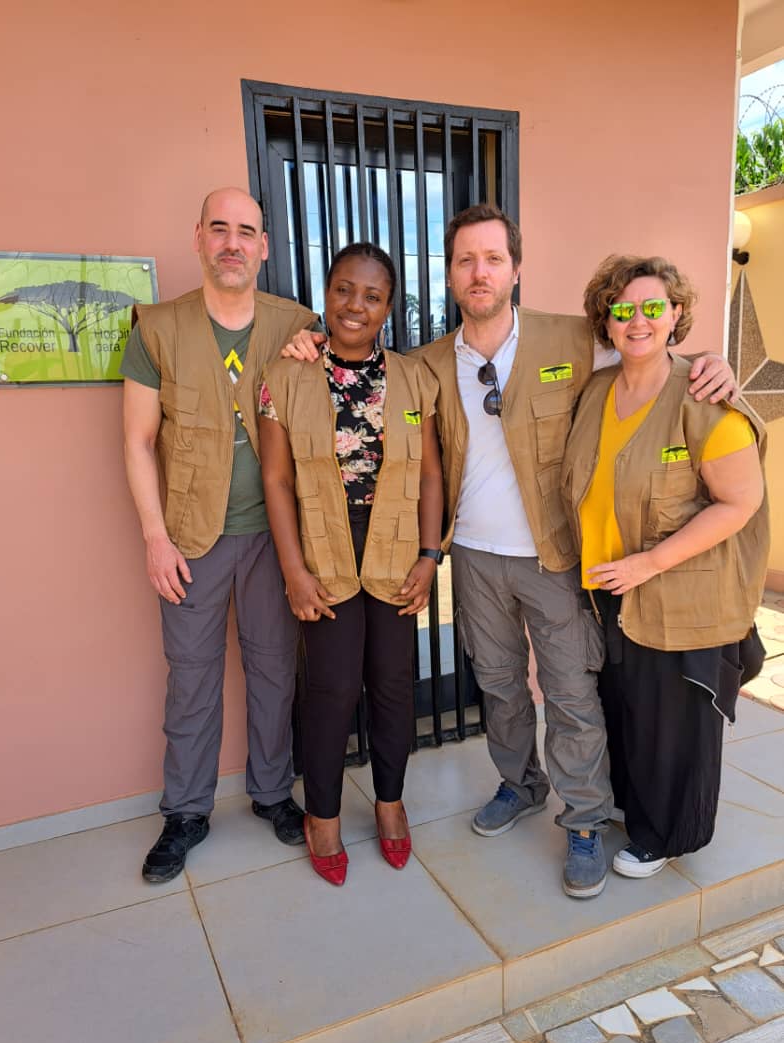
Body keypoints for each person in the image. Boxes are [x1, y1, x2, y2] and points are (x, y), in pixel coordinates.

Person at [282, 204, 737, 899]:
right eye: (465, 260)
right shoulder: (429, 362)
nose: (479, 272)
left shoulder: (573, 337)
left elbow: (656, 357)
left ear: (515, 268)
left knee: (570, 691)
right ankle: (520, 783)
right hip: (472, 555)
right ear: (451, 274)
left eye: (493, 258)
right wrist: (306, 340)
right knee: (497, 685)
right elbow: (360, 374)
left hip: (552, 556)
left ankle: (583, 819)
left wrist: (719, 370)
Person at [122, 187, 319, 883]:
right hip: (189, 540)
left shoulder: (298, 322)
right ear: (199, 239)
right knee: (193, 681)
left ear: (264, 245)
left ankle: (272, 794)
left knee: (274, 670)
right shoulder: (157, 327)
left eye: (246, 231)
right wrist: (154, 537)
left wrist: (316, 347)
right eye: (219, 229)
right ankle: (185, 812)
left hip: (276, 538)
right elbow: (139, 442)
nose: (232, 243)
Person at [562, 255, 768, 877]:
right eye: (623, 310)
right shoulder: (597, 390)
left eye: (653, 307)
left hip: (677, 589)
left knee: (673, 721)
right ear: (607, 320)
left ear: (676, 313)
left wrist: (650, 562)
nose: (638, 321)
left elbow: (740, 502)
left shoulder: (702, 395)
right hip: (610, 589)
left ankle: (666, 835)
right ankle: (634, 808)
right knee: (629, 708)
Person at [258, 242, 442, 886]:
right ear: (326, 293)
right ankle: (325, 816)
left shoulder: (417, 378)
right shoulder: (285, 377)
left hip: (395, 546)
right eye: (344, 289)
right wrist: (293, 570)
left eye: (372, 295)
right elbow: (277, 482)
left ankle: (390, 806)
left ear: (389, 307)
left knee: (394, 686)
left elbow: (431, 473)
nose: (355, 305)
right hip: (323, 546)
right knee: (333, 690)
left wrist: (430, 554)